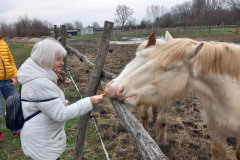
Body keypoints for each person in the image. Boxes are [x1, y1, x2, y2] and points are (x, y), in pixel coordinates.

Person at [17, 38, 104, 160]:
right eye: (58, 59)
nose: (62, 63)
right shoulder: (41, 83)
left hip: (42, 137)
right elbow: (61, 114)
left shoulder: (40, 76)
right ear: (46, 60)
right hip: (43, 144)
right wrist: (90, 101)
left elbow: (46, 103)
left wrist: (64, 102)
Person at [0, 34, 19, 141]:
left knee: (15, 105)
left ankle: (17, 129)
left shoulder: (3, 43)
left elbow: (11, 61)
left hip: (8, 81)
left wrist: (14, 76)